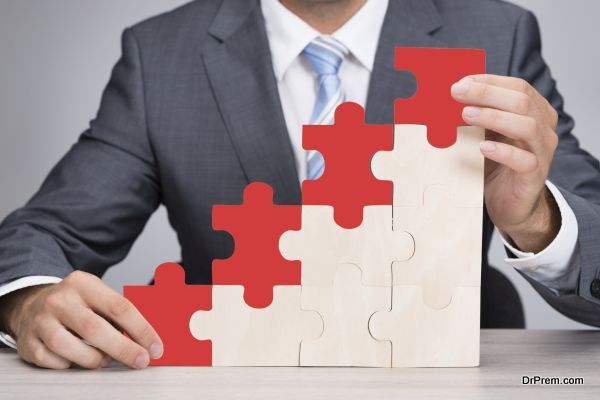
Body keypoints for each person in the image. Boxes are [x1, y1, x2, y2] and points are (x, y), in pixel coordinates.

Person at [0, 0, 599, 370]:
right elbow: (46, 230)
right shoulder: (160, 55)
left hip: (451, 371)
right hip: (233, 371)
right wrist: (29, 301)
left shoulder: (498, 32)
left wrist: (537, 219)